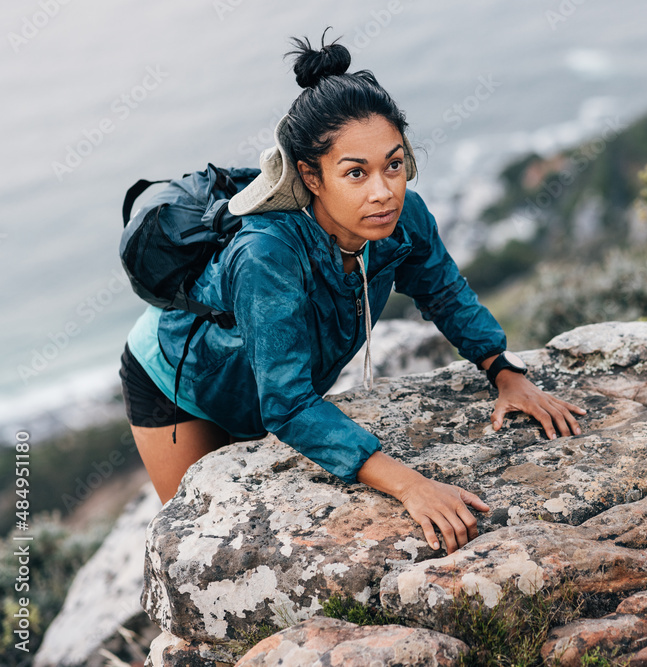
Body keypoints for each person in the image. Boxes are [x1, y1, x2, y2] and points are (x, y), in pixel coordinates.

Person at [118, 34, 586, 555]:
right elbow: (289, 404)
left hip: (266, 381)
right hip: (179, 383)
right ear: (310, 177)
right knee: (201, 550)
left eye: (393, 165)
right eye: (355, 173)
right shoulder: (266, 256)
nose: (383, 190)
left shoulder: (403, 217)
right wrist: (412, 485)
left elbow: (444, 292)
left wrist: (504, 370)